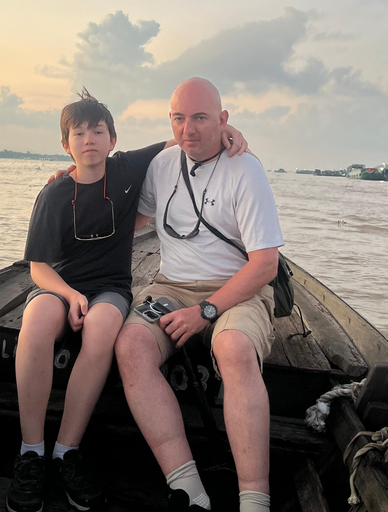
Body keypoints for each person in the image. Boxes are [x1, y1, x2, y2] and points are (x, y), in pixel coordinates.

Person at [8, 89, 246, 512]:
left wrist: (228, 130)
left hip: (111, 287)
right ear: (66, 145)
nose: (89, 140)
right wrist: (68, 294)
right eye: (78, 133)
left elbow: (184, 139)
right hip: (60, 285)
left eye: (98, 131)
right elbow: (38, 268)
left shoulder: (127, 168)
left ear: (113, 139)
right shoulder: (55, 193)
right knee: (37, 321)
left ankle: (66, 451)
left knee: (103, 328)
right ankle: (31, 451)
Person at [114, 77, 284, 512]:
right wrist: (75, 183)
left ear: (224, 120)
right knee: (131, 345)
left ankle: (254, 500)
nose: (188, 129)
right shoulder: (163, 163)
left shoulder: (247, 169)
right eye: (179, 118)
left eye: (201, 118)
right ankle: (189, 490)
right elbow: (136, 219)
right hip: (171, 286)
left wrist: (206, 312)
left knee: (233, 348)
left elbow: (265, 264)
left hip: (238, 289)